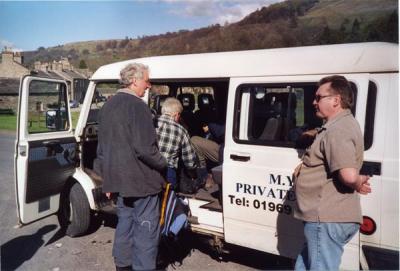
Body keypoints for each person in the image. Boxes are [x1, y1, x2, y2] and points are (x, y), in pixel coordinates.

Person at [294, 75, 371, 270]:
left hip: (327, 218)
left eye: (318, 97)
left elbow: (349, 176)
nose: (313, 102)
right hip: (325, 218)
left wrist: (358, 180)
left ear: (336, 100)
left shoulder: (339, 129)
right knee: (304, 265)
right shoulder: (336, 126)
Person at [95, 63, 167, 271]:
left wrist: (107, 181)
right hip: (141, 182)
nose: (149, 85)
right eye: (146, 81)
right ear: (135, 80)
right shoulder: (138, 106)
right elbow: (145, 149)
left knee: (124, 227)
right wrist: (163, 163)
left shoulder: (107, 106)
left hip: (118, 182)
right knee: (145, 232)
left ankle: (122, 267)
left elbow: (102, 149)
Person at [155, 97, 199, 189]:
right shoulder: (181, 130)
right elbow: (189, 160)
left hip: (147, 170)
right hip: (167, 172)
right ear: (176, 114)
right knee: (168, 200)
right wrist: (193, 175)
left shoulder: (151, 122)